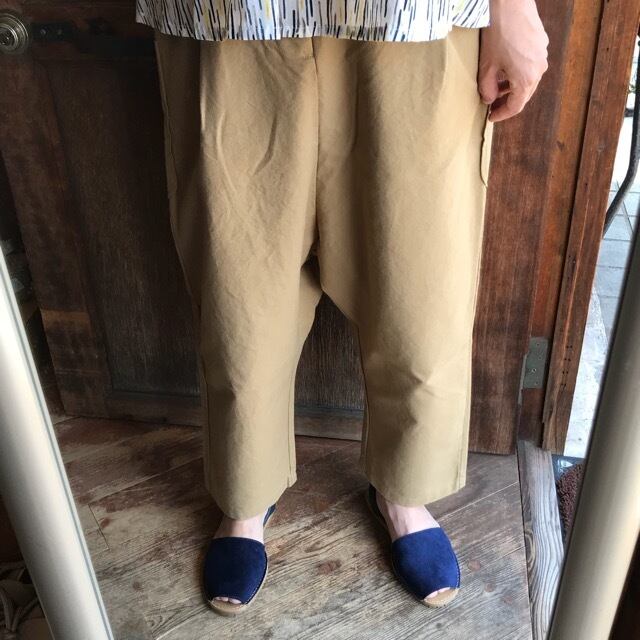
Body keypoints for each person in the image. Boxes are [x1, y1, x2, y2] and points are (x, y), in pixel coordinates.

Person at [136, 0, 548, 616]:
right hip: (232, 19)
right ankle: (246, 495)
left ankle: (404, 489)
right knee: (239, 295)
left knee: (421, 292)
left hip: (416, 19)